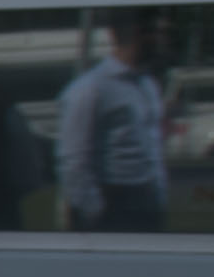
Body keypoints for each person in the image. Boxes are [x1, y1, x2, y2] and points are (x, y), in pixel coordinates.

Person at [53, 20, 170, 234]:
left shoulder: (148, 84)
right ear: (138, 36)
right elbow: (73, 159)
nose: (163, 40)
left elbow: (152, 146)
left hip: (146, 202)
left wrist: (158, 197)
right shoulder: (90, 89)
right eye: (158, 33)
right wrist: (95, 211)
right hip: (112, 203)